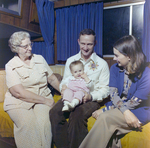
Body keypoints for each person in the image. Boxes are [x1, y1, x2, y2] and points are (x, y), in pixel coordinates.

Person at [79, 35, 150, 148]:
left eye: (117, 55)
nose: (113, 59)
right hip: (122, 108)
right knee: (111, 133)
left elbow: (134, 103)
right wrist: (124, 111)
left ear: (129, 56)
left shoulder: (147, 74)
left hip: (137, 111)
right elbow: (113, 94)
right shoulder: (115, 68)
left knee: (105, 118)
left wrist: (106, 110)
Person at [50, 28, 110, 148]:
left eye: (89, 44)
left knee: (77, 115)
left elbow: (105, 90)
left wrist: (91, 96)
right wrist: (63, 88)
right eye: (83, 43)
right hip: (71, 94)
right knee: (54, 112)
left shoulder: (102, 64)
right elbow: (65, 81)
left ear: (95, 43)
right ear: (78, 41)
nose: (86, 47)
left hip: (90, 98)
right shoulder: (71, 61)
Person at [4, 31, 60, 148]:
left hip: (42, 95)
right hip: (19, 102)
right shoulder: (11, 65)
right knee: (27, 124)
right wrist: (46, 101)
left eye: (30, 44)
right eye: (25, 46)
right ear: (16, 48)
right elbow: (19, 93)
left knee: (43, 123)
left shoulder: (39, 59)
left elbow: (52, 79)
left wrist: (64, 91)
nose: (30, 48)